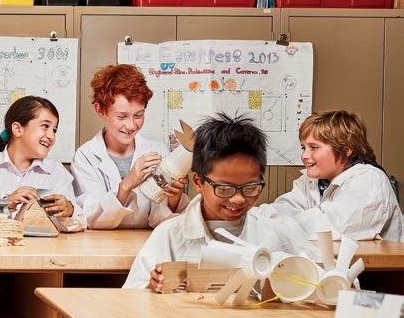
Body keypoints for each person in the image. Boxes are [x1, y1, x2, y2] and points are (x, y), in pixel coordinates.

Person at [124, 113, 315, 291]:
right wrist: (151, 287)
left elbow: (317, 282)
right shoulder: (170, 236)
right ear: (199, 182)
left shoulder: (276, 234)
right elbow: (133, 300)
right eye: (224, 189)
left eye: (250, 187)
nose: (238, 199)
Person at [71, 64, 188, 228]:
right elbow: (91, 218)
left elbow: (161, 220)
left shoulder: (158, 152)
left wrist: (174, 197)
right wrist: (126, 185)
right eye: (122, 116)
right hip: (101, 247)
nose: (131, 125)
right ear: (100, 110)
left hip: (146, 246)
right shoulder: (86, 156)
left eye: (138, 115)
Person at [267, 110, 402, 241]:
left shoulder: (370, 180)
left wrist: (272, 224)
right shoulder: (312, 181)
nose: (304, 156)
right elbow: (284, 207)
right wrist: (255, 217)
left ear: (346, 150)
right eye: (304, 148)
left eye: (314, 147)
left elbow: (329, 226)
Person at [0, 95, 86, 230]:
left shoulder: (57, 171)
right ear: (18, 129)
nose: (51, 136)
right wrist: (5, 203)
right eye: (45, 126)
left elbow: (79, 223)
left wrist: (69, 210)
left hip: (43, 250)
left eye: (54, 130)